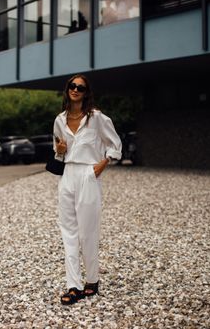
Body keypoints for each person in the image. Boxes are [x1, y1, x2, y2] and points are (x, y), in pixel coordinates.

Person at [53, 74, 122, 305]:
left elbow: (115, 144)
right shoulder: (59, 120)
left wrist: (102, 164)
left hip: (88, 174)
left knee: (87, 232)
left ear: (86, 92)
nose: (75, 90)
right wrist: (60, 150)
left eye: (80, 88)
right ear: (67, 89)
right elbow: (58, 155)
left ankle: (92, 279)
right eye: (72, 86)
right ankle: (73, 285)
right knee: (68, 233)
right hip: (67, 176)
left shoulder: (97, 118)